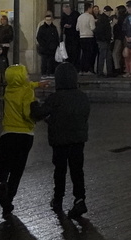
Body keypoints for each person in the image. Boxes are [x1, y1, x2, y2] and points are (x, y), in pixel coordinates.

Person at [31, 62, 91, 220]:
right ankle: (80, 199)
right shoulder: (82, 97)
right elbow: (84, 116)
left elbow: (39, 113)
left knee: (60, 170)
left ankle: (58, 199)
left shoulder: (55, 98)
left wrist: (33, 103)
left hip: (60, 141)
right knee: (77, 170)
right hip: (78, 140)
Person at [0, 64, 39, 220]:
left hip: (7, 134)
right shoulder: (27, 92)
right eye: (26, 74)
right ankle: (9, 200)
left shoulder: (8, 90)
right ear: (21, 77)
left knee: (2, 167)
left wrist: (38, 84)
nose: (28, 76)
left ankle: (1, 183)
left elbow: (25, 85)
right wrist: (35, 116)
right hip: (25, 135)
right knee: (17, 170)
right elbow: (27, 113)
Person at [36, 11, 61, 77]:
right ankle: (44, 73)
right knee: (44, 61)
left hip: (52, 47)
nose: (48, 21)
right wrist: (43, 44)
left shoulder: (54, 27)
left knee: (51, 61)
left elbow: (56, 37)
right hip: (44, 48)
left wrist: (56, 45)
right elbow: (38, 37)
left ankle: (50, 72)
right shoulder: (41, 27)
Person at [76, 2, 97, 74]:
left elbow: (77, 28)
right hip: (89, 37)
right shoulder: (90, 17)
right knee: (89, 54)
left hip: (81, 37)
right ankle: (87, 69)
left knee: (83, 54)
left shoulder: (80, 17)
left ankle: (81, 69)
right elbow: (93, 28)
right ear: (89, 8)